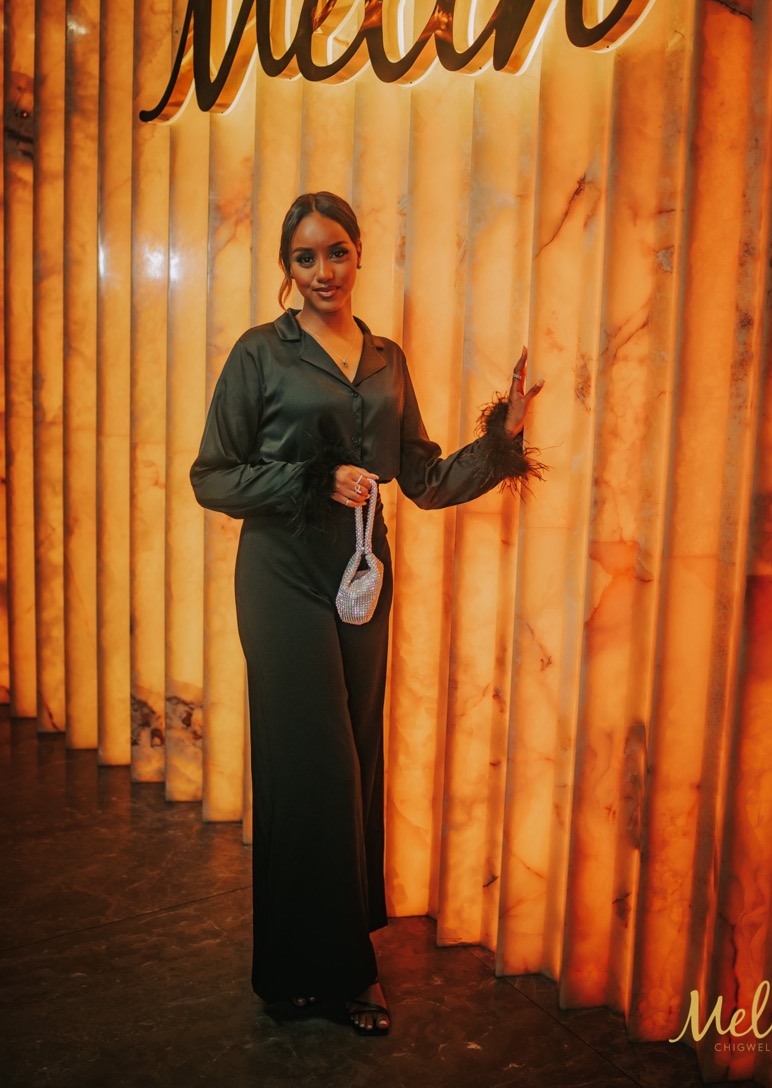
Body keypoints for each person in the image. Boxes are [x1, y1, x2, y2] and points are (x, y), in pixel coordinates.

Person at [190, 192, 544, 1036]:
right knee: (310, 766)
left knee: (355, 757)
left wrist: (502, 437)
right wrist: (313, 478)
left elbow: (422, 478)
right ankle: (342, 974)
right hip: (281, 572)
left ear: (358, 254)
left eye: (337, 252)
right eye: (305, 257)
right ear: (288, 268)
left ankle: (311, 965)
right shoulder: (260, 352)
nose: (324, 271)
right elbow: (213, 476)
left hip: (360, 573)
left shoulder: (386, 359)